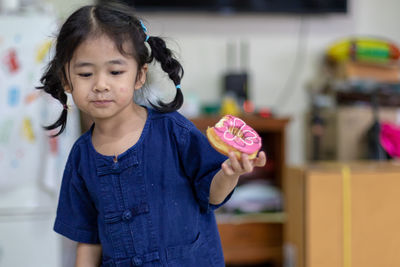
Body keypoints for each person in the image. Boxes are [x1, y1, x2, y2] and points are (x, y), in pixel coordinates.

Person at [37, 2, 266, 266]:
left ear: (139, 76)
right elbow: (87, 240)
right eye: (86, 73)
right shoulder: (80, 157)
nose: (100, 85)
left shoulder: (173, 131)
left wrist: (230, 173)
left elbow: (212, 195)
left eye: (115, 72)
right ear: (66, 80)